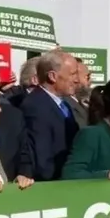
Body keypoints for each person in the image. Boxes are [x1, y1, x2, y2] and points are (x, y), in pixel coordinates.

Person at [21, 51, 81, 181]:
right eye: (72, 74)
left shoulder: (63, 104)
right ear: (53, 76)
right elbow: (42, 159)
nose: (77, 80)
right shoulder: (36, 106)